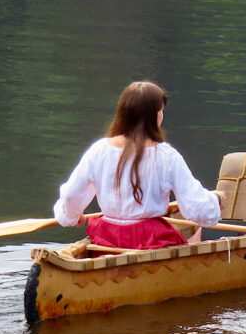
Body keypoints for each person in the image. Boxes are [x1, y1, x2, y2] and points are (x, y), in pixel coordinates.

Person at [53, 81, 226, 250]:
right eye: (161, 111)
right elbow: (196, 208)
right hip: (150, 239)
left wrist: (72, 216)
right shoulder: (167, 155)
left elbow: (70, 196)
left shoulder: (98, 149)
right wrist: (215, 200)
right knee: (196, 234)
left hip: (107, 237)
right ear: (156, 115)